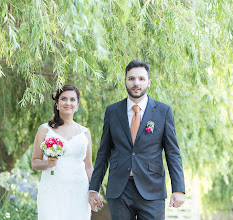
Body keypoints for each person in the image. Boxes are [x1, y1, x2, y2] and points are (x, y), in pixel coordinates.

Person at [89, 60, 185, 219]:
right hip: (119, 189)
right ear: (125, 81)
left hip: (152, 190)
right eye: (131, 78)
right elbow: (104, 152)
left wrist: (178, 189)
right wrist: (94, 188)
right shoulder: (112, 112)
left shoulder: (163, 112)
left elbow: (172, 153)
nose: (136, 83)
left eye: (141, 79)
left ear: (149, 82)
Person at [32, 84, 93, 220]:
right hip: (52, 189)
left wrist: (94, 191)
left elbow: (88, 167)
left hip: (79, 190)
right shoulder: (44, 129)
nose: (68, 103)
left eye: (72, 99)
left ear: (77, 104)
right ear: (57, 103)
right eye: (64, 99)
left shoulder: (85, 133)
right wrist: (47, 163)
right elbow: (35, 162)